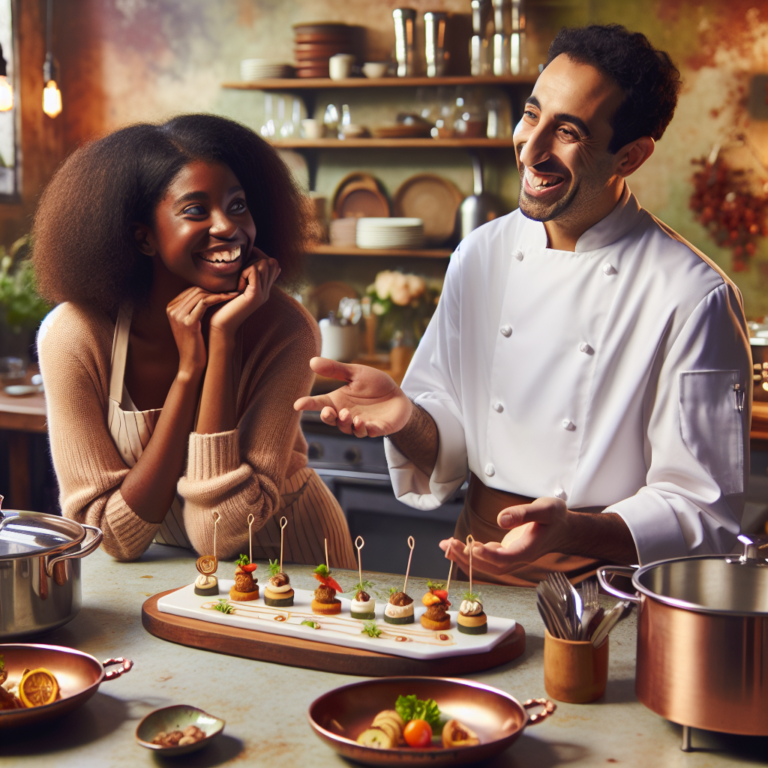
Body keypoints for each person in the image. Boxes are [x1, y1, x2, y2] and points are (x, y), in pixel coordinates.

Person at [294, 25, 752, 585]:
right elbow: (451, 434)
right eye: (532, 115)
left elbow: (703, 510)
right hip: (473, 566)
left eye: (567, 132)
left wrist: (573, 531)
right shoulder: (481, 253)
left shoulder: (693, 295)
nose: (530, 149)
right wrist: (405, 420)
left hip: (604, 588)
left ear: (629, 156)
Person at [34, 114, 355, 568]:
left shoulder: (286, 331)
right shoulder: (76, 335)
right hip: (158, 572)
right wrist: (189, 373)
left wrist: (221, 339)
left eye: (237, 205)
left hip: (291, 560)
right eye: (195, 210)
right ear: (143, 236)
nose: (227, 227)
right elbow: (111, 537)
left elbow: (218, 530)